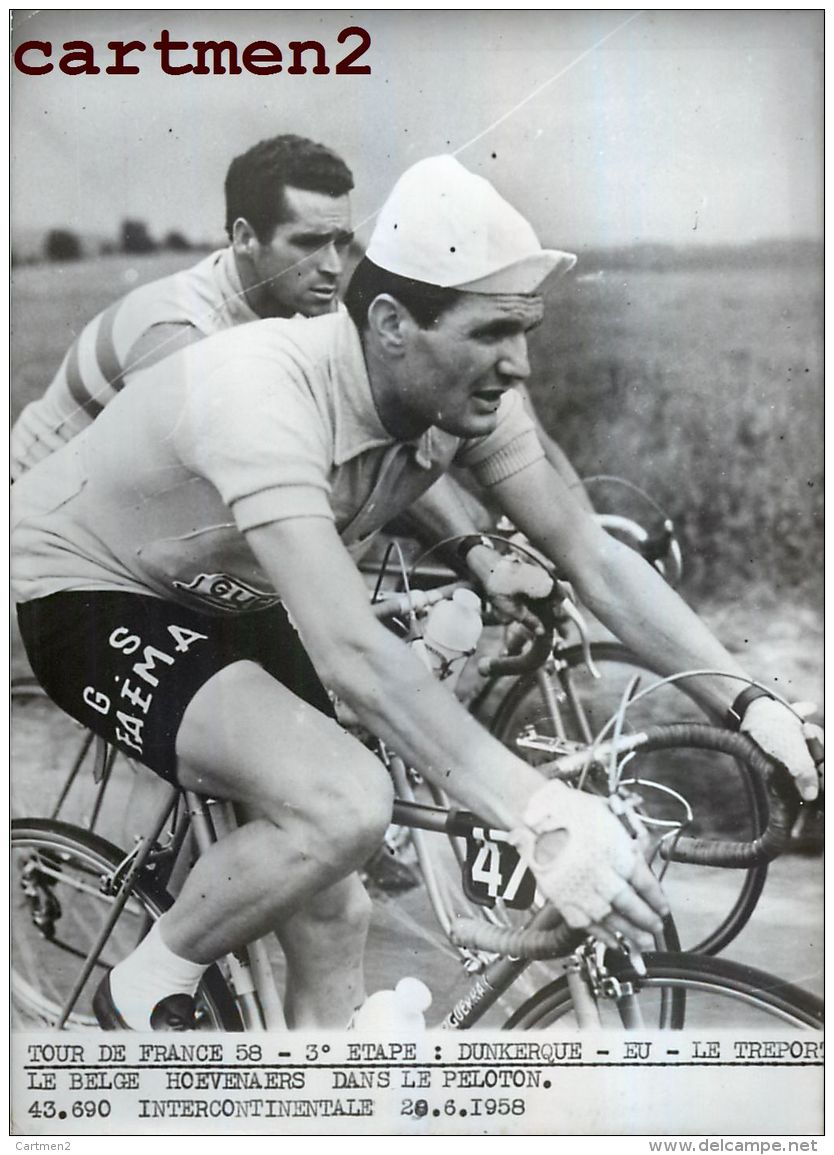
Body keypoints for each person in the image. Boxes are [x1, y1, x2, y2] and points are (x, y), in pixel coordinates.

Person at [11, 156, 817, 1032]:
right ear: (393, 324)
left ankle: (325, 1106)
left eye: (529, 331)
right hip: (90, 583)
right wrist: (538, 815)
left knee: (333, 909)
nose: (520, 366)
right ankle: (140, 990)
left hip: (223, 591)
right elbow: (353, 652)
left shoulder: (463, 395)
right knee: (345, 800)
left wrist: (749, 700)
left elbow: (590, 552)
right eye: (493, 332)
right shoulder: (262, 392)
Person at [10, 134, 356, 480]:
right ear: (245, 238)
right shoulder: (180, 330)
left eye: (340, 243)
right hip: (28, 503)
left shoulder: (312, 305)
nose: (334, 267)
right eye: (309, 243)